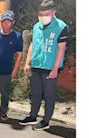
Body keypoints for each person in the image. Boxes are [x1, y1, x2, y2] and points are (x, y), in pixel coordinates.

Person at [19, 0, 69, 130]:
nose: (43, 17)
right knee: (35, 93)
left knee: (49, 95)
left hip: (49, 68)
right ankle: (32, 116)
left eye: (46, 14)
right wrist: (27, 62)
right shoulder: (36, 26)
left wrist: (55, 69)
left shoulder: (61, 27)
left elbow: (61, 49)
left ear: (54, 12)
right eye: (40, 14)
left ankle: (46, 121)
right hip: (36, 65)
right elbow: (32, 44)